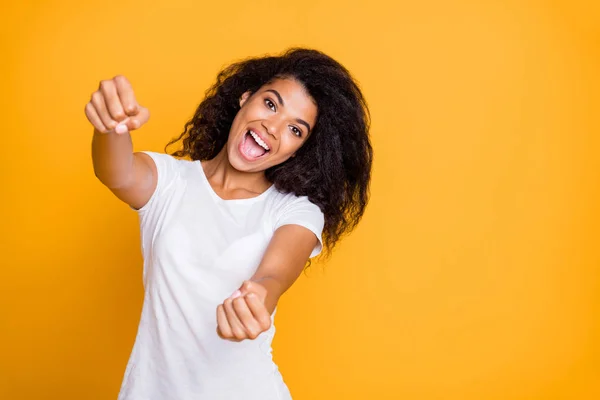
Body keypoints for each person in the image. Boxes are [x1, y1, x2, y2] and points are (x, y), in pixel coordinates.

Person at [86, 48, 372, 400]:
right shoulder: (170, 181)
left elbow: (274, 276)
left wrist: (257, 299)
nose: (273, 126)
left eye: (295, 129)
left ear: (299, 150)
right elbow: (115, 171)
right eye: (270, 104)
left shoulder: (294, 211)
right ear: (245, 97)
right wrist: (110, 125)